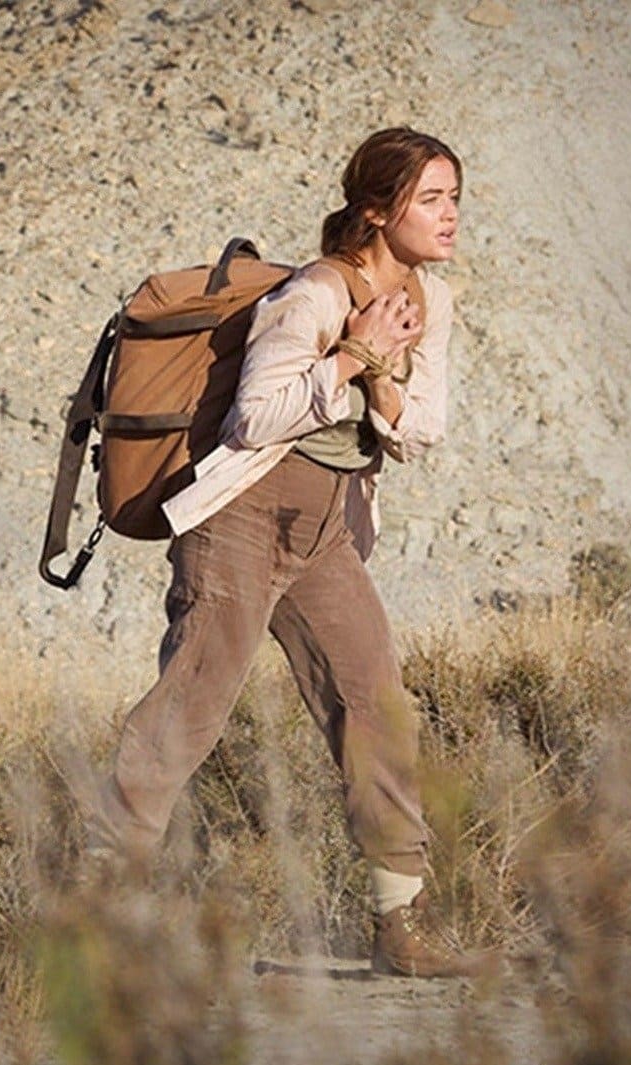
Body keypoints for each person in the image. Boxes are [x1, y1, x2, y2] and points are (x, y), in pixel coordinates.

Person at [85, 127, 485, 977]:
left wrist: (381, 373)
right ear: (376, 211)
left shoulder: (430, 299)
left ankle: (399, 927)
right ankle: (96, 910)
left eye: (455, 198)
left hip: (323, 527)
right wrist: (348, 356)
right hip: (240, 514)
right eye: (431, 200)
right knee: (191, 705)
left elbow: (423, 431)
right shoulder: (312, 292)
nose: (451, 217)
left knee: (374, 701)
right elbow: (253, 420)